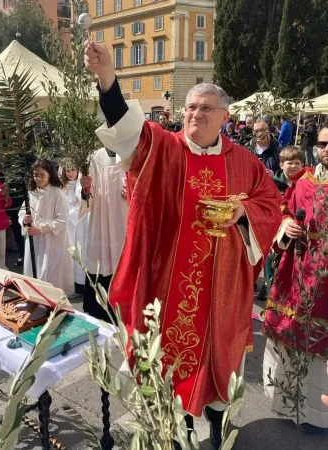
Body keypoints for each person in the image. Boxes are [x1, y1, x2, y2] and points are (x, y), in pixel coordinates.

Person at [84, 41, 282, 449]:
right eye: (191, 107)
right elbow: (129, 131)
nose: (195, 113)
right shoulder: (166, 149)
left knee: (220, 372)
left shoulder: (245, 162)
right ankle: (176, 437)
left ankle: (220, 433)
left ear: (225, 117)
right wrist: (108, 80)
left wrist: (241, 212)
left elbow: (270, 205)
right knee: (169, 373)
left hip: (224, 293)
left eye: (205, 108)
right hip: (169, 290)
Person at [262, 126, 328, 434]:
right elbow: (283, 211)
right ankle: (299, 407)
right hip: (301, 273)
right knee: (298, 342)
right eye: (323, 143)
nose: (326, 148)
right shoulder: (303, 181)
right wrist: (287, 226)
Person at [79, 147, 128, 322]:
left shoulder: (132, 153)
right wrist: (85, 188)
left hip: (123, 218)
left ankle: (125, 312)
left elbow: (146, 183)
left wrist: (133, 191)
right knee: (100, 261)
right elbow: (85, 198)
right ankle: (98, 309)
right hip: (100, 219)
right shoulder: (94, 157)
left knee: (123, 259)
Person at [18, 159, 74, 295]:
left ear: (50, 175)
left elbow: (62, 219)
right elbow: (22, 212)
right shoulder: (31, 193)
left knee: (51, 271)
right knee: (35, 270)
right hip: (34, 238)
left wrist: (42, 229)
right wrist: (24, 220)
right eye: (35, 174)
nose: (38, 178)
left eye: (42, 175)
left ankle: (53, 302)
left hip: (51, 240)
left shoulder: (56, 193)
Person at [256, 146, 305, 301]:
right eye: (289, 162)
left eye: (297, 163)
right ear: (281, 164)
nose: (294, 166)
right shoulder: (273, 184)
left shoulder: (306, 185)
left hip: (297, 235)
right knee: (271, 262)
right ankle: (268, 286)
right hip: (274, 233)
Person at [61, 166, 88, 294]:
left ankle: (81, 283)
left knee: (81, 250)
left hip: (81, 224)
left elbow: (84, 205)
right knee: (70, 252)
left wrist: (73, 211)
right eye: (67, 171)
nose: (70, 173)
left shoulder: (81, 186)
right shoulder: (62, 187)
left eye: (73, 170)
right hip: (68, 225)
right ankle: (71, 283)